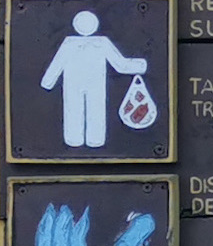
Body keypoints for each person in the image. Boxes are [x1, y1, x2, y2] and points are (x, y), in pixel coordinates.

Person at [39, 10, 150, 149]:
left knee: (82, 110)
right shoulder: (87, 43)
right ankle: (89, 140)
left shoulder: (88, 43)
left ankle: (80, 140)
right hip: (82, 84)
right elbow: (120, 65)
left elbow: (56, 65)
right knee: (85, 110)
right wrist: (140, 66)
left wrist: (47, 82)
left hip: (85, 83)